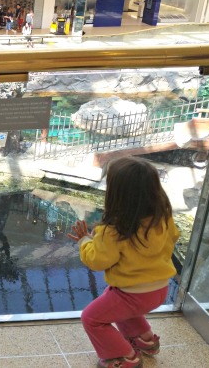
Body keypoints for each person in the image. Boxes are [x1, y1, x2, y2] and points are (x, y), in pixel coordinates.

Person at [67, 157, 179, 368]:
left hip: (133, 295)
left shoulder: (114, 230)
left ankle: (123, 357)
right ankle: (145, 340)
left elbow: (97, 261)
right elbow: (172, 238)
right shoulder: (163, 217)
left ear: (117, 194)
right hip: (159, 289)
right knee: (116, 304)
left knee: (92, 318)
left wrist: (85, 241)